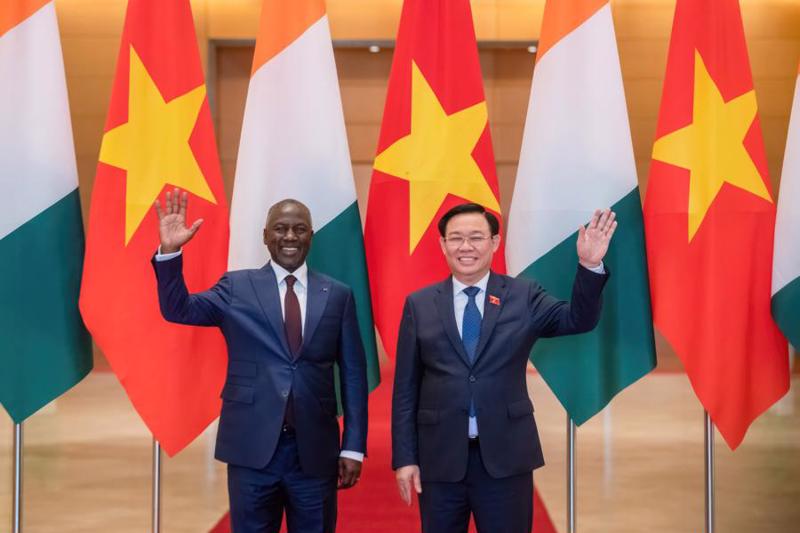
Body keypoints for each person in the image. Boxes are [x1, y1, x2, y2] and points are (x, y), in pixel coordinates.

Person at [152, 189, 368, 533]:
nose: (290, 237)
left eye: (299, 229)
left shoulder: (338, 295)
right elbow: (178, 309)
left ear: (311, 236)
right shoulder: (237, 287)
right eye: (280, 228)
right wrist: (170, 251)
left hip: (314, 453)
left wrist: (354, 446)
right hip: (251, 450)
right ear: (265, 236)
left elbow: (354, 375)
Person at [392, 202, 616, 533]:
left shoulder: (523, 295)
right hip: (439, 459)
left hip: (506, 457)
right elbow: (406, 389)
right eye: (455, 238)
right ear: (442, 245)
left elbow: (578, 319)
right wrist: (405, 458)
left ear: (495, 242)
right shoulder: (420, 304)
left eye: (476, 237)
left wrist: (589, 264)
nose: (465, 247)